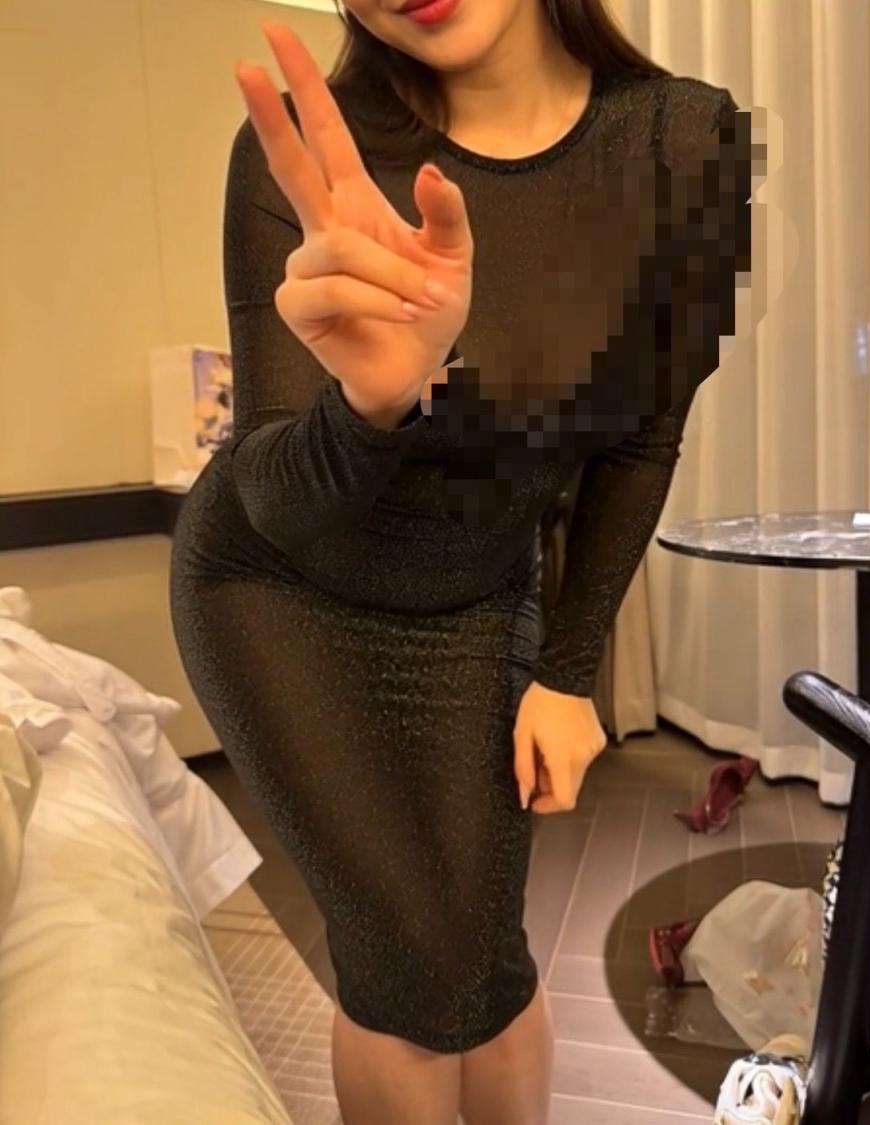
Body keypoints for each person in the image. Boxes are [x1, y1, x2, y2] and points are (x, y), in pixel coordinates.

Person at [168, 2, 753, 1123]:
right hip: (276, 595)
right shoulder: (309, 144)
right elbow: (274, 498)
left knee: (480, 954)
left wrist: (567, 673)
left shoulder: (686, 140)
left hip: (476, 597)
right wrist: (374, 403)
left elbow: (642, 438)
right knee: (412, 961)